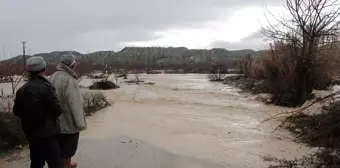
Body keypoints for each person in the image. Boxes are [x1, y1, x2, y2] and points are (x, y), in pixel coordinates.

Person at [13, 56, 64, 168]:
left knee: (36, 162)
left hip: (31, 134)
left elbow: (16, 111)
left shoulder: (21, 90)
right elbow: (58, 110)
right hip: (48, 134)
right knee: (56, 163)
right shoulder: (47, 87)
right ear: (44, 69)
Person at [50, 54, 86, 168]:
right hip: (68, 122)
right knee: (68, 149)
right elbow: (75, 104)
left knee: (59, 147)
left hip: (55, 121)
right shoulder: (70, 80)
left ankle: (65, 164)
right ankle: (66, 165)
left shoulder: (53, 76)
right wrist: (80, 123)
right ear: (72, 65)